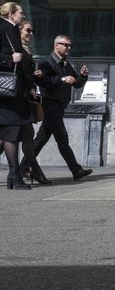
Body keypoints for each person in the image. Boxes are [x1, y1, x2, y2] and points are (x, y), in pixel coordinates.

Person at [27, 35, 93, 181]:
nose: (69, 48)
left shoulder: (65, 64)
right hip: (50, 105)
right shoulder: (46, 63)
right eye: (66, 45)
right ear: (56, 45)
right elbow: (43, 82)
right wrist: (62, 79)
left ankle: (22, 168)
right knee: (62, 139)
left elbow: (76, 83)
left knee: (41, 139)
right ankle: (76, 170)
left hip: (59, 106)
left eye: (70, 46)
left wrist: (83, 76)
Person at [0, 3, 36, 190]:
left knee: (13, 133)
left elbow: (23, 66)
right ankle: (15, 176)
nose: (23, 15)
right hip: (7, 92)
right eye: (20, 12)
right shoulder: (2, 27)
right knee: (12, 133)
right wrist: (8, 60)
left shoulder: (12, 29)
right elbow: (13, 59)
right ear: (11, 13)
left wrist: (30, 87)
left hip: (16, 91)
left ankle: (14, 177)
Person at [17, 20, 52, 185]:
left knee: (25, 136)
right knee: (24, 136)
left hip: (24, 98)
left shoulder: (26, 50)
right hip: (16, 99)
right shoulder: (16, 49)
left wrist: (35, 76)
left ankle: (30, 171)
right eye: (28, 31)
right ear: (19, 31)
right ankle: (33, 172)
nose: (30, 34)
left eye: (32, 31)